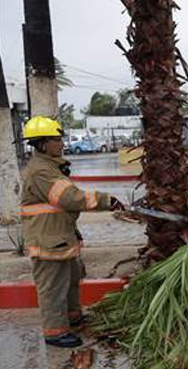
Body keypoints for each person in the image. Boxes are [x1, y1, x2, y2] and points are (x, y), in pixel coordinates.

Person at [20, 116, 124, 348]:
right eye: (57, 140)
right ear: (42, 144)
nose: (62, 143)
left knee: (70, 280)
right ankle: (55, 332)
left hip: (59, 237)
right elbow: (70, 198)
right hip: (47, 240)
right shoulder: (41, 172)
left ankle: (73, 318)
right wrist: (106, 200)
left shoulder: (50, 166)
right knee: (53, 287)